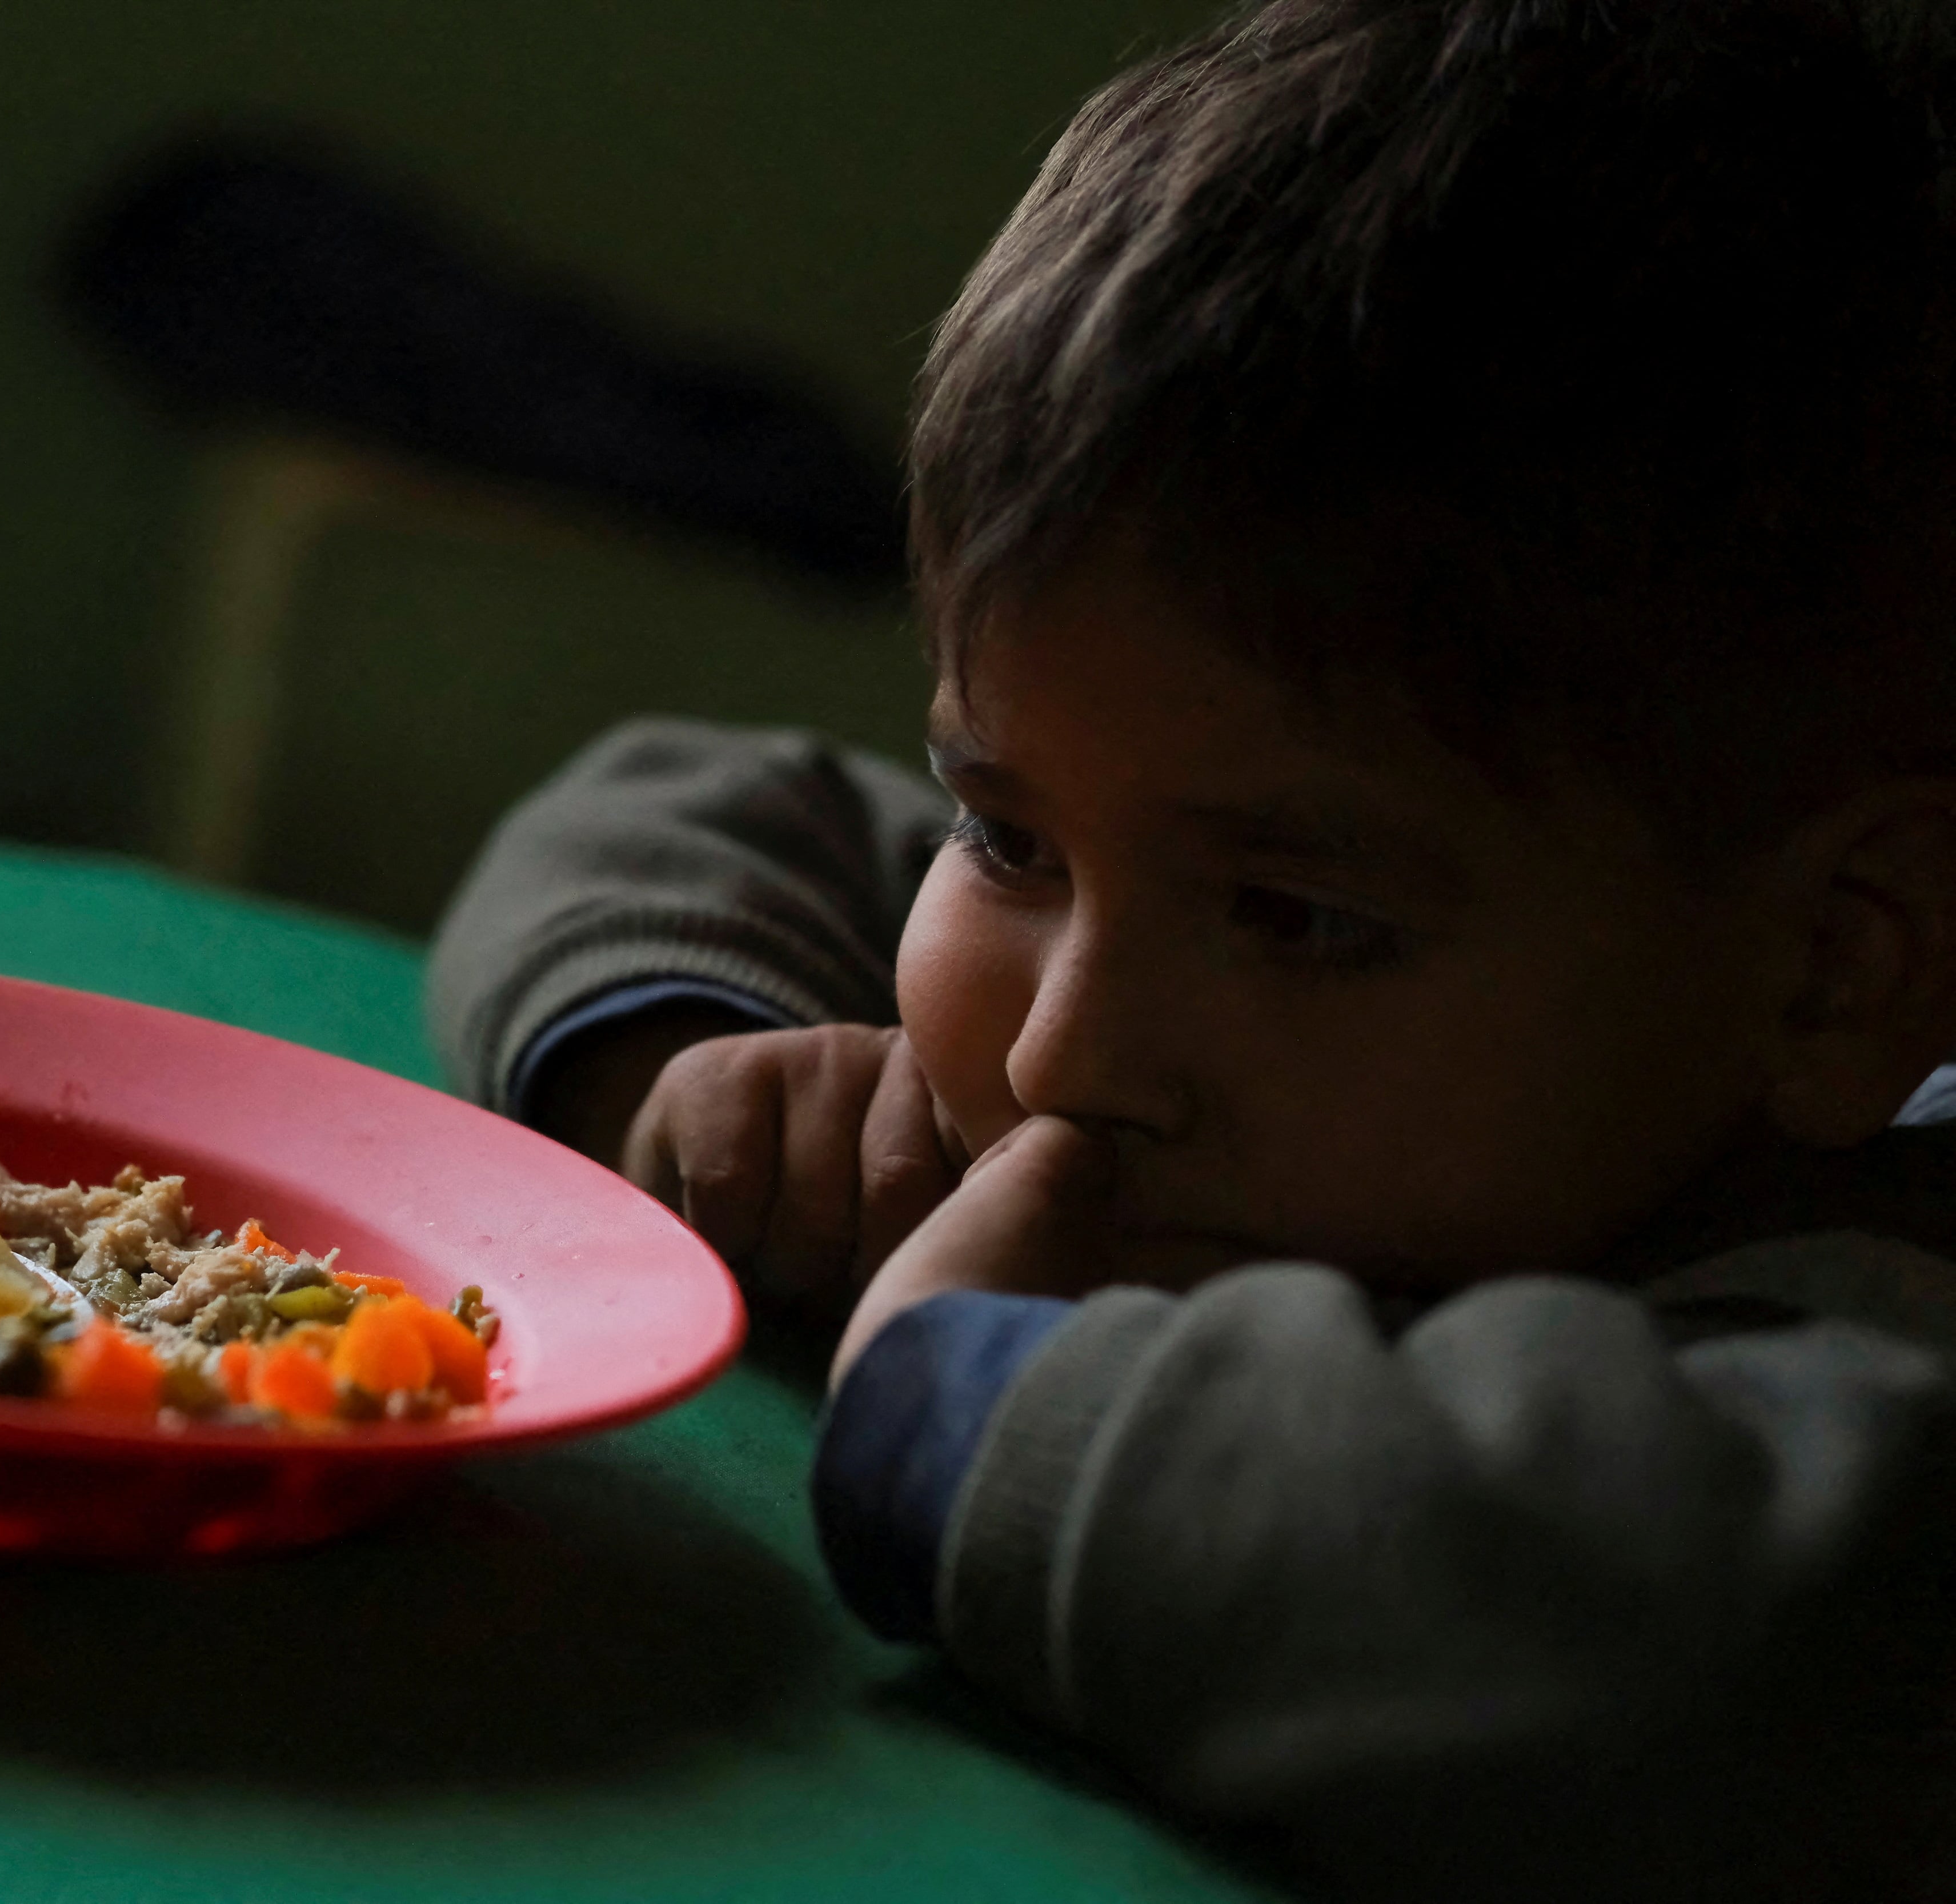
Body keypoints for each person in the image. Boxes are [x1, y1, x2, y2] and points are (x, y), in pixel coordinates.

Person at [425, 0, 1956, 1895]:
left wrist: (962, 1385)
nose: (1066, 1055)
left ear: (1835, 972)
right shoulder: (1227, 947)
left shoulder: (1873, 1366)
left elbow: (1698, 1651)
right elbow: (694, 803)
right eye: (1007, 834)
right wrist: (693, 1069)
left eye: (1301, 921)